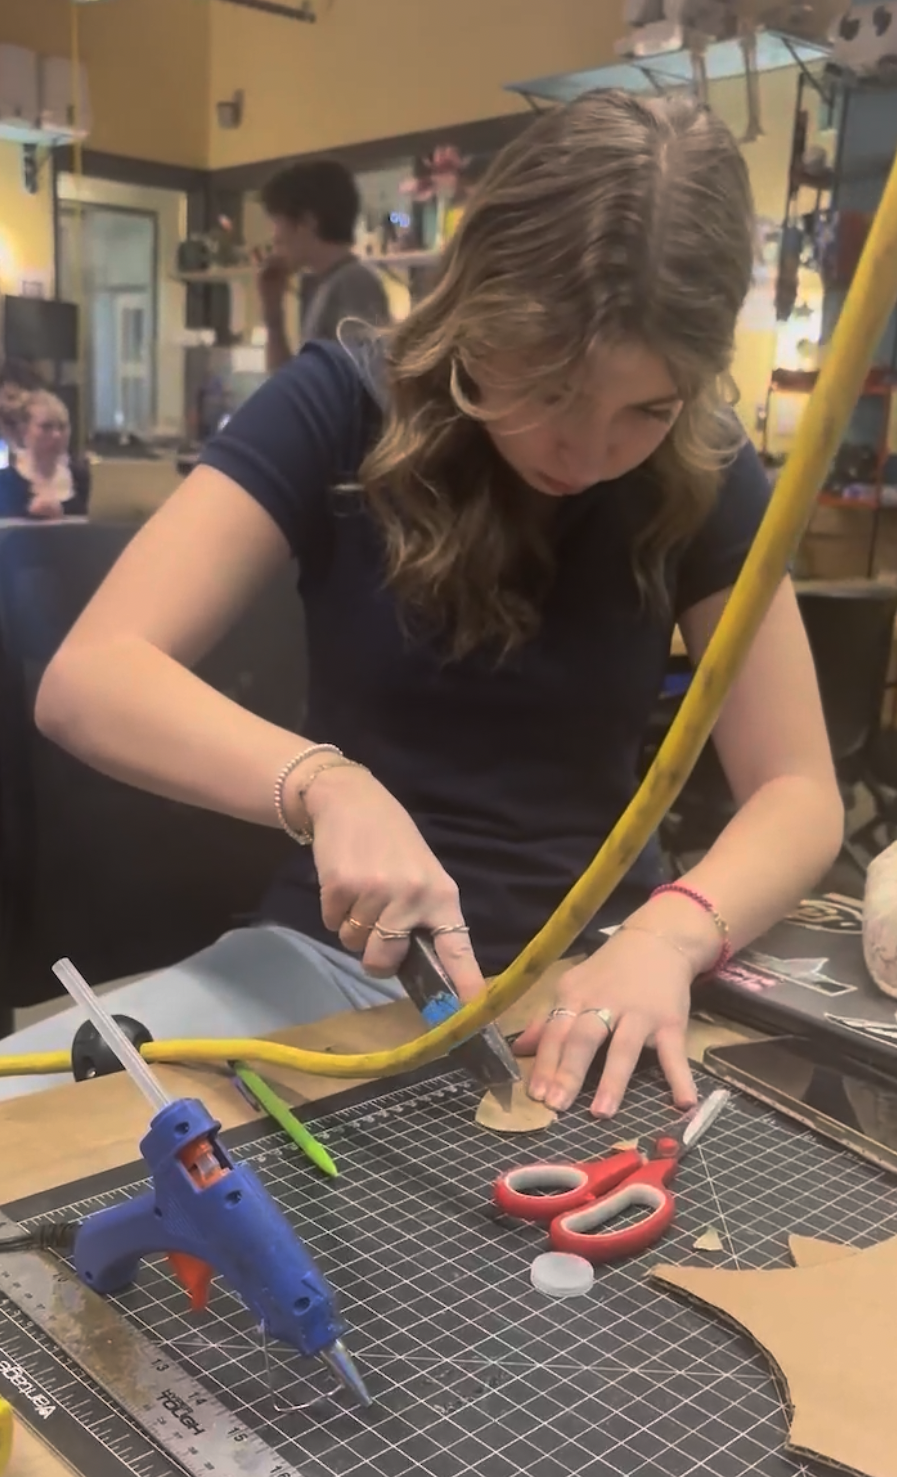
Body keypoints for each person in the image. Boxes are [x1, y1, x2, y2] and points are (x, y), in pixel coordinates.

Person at [25, 91, 842, 1117]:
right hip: (338, 967)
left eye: (647, 408)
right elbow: (89, 677)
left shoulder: (705, 468)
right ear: (477, 307)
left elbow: (799, 788)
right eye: (552, 388)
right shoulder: (340, 403)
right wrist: (324, 784)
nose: (589, 452)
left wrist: (670, 936)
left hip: (598, 972)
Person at [257, 158, 390, 371]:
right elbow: (290, 386)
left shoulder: (353, 283)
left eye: (277, 222)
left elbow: (362, 381)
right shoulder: (328, 284)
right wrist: (273, 317)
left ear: (307, 222)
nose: (274, 237)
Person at [0, 390, 90, 521]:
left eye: (62, 427)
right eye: (46, 427)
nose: (57, 435)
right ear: (24, 430)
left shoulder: (82, 478)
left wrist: (61, 518)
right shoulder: (5, 482)